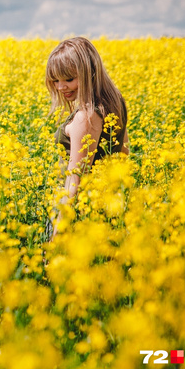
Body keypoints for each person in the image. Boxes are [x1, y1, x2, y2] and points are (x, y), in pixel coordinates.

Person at [45, 37, 129, 239]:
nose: (61, 87)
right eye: (56, 80)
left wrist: (57, 237)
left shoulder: (86, 117)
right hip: (104, 210)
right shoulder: (115, 102)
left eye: (69, 79)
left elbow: (75, 182)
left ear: (89, 73)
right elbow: (123, 155)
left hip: (78, 218)